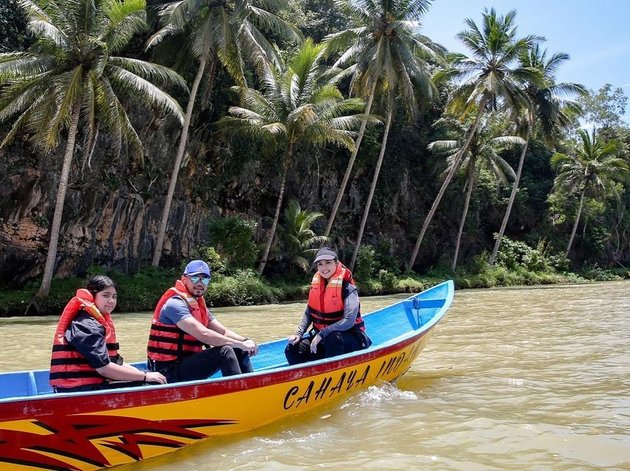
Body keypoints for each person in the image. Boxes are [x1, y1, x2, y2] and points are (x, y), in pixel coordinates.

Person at [50, 275, 167, 393]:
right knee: (148, 383)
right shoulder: (86, 325)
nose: (111, 301)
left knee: (150, 379)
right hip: (78, 391)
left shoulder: (94, 321)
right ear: (92, 297)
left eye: (114, 297)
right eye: (106, 295)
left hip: (89, 387)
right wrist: (145, 377)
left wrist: (146, 374)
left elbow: (115, 362)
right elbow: (104, 369)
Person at [147, 260, 258, 382]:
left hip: (187, 363)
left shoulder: (199, 306)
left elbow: (223, 332)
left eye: (204, 280)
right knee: (225, 351)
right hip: (167, 372)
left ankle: (251, 386)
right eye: (195, 279)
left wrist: (245, 341)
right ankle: (238, 394)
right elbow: (203, 334)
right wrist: (239, 344)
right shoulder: (175, 304)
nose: (200, 283)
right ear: (184, 279)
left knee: (238, 349)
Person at [285, 247, 372, 365]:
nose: (324, 268)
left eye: (328, 263)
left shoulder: (348, 288)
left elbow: (349, 321)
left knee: (333, 338)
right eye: (320, 264)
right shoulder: (316, 286)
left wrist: (322, 334)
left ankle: (334, 374)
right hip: (324, 339)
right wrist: (299, 333)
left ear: (336, 263)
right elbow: (309, 313)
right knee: (292, 349)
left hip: (351, 339)